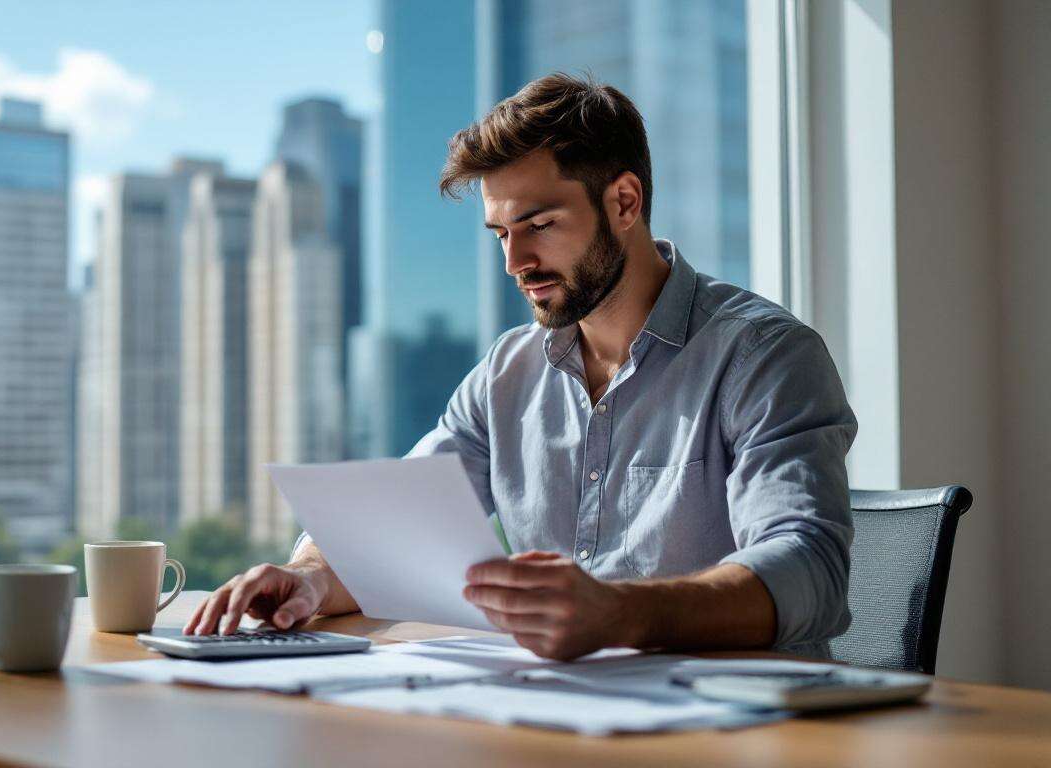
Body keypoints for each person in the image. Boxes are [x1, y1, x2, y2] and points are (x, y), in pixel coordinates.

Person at [186, 74, 857, 661]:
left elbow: (809, 569)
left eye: (539, 224)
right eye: (502, 234)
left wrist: (621, 613)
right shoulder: (506, 373)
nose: (515, 263)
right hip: (559, 712)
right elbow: (391, 524)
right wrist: (307, 577)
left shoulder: (764, 355)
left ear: (624, 203)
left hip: (744, 727)